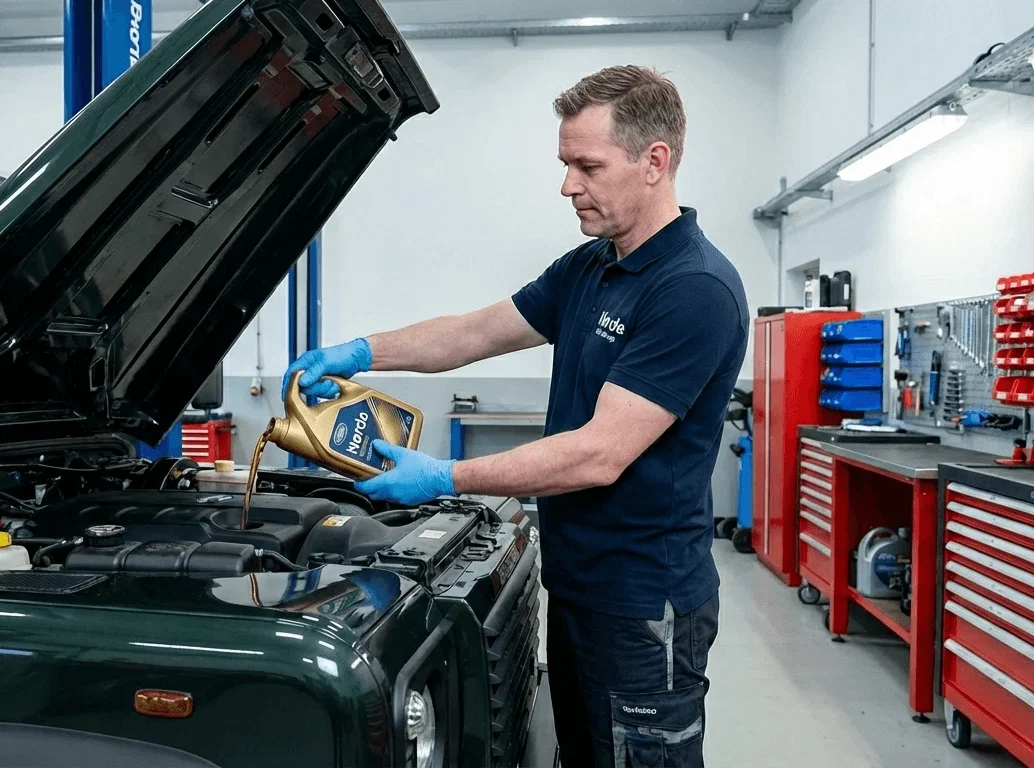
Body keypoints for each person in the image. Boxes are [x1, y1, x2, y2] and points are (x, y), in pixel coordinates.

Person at [283, 65, 748, 768]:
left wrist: (446, 476)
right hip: (579, 581)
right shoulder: (590, 268)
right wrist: (361, 352)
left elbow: (599, 454)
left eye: (587, 166)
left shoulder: (694, 289)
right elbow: (473, 332)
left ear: (655, 162)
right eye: (565, 165)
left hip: (642, 603)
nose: (567, 186)